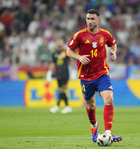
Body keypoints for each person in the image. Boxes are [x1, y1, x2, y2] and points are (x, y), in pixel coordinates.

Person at [66, 9, 122, 142]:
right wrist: (79, 57)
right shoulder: (80, 35)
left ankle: (108, 133)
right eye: (88, 19)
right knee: (91, 106)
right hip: (86, 77)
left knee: (109, 99)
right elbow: (68, 51)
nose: (89, 21)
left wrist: (113, 53)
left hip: (102, 73)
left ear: (98, 21)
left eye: (92, 19)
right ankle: (93, 126)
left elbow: (113, 45)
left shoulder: (105, 34)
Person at [46, 38, 72, 114]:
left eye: (61, 41)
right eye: (58, 41)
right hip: (58, 73)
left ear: (63, 42)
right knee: (61, 90)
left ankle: (57, 106)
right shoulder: (54, 52)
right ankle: (67, 106)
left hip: (65, 73)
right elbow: (52, 63)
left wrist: (73, 71)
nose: (59, 42)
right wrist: (49, 73)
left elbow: (71, 61)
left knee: (62, 89)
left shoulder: (66, 51)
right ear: (56, 42)